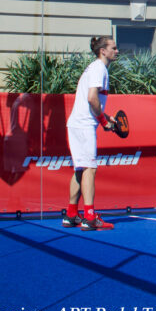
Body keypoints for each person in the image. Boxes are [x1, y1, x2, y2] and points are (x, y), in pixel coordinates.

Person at [64, 36, 119, 231]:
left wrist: (106, 116)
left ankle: (71, 214)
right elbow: (91, 98)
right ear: (103, 51)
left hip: (78, 123)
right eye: (113, 48)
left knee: (80, 168)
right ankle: (89, 217)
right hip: (84, 125)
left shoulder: (95, 68)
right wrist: (103, 122)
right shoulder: (99, 68)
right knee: (89, 169)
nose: (117, 51)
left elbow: (93, 102)